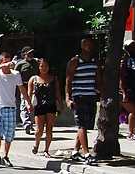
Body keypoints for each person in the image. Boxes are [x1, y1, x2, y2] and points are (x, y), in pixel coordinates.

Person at [65, 36, 105, 165]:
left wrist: (104, 96)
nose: (88, 46)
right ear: (82, 46)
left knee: (86, 125)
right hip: (79, 96)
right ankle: (87, 153)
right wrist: (68, 98)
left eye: (90, 44)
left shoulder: (95, 61)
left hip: (91, 95)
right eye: (86, 44)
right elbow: (68, 81)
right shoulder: (75, 61)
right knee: (82, 125)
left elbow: (98, 81)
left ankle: (76, 151)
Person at [0, 51, 30, 168]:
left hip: (11, 107)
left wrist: (28, 102)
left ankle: (5, 156)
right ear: (0, 62)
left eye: (9, 62)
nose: (8, 65)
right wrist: (2, 66)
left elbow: (22, 89)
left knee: (9, 134)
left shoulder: (15, 74)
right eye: (5, 62)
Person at [28, 57, 62, 156]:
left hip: (51, 106)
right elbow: (29, 94)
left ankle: (46, 149)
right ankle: (36, 144)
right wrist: (28, 105)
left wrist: (61, 106)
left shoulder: (54, 78)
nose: (44, 68)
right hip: (39, 106)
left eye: (46, 66)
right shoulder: (33, 79)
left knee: (49, 128)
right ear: (38, 67)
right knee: (39, 129)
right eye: (42, 66)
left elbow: (57, 93)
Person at [15, 46, 39, 134]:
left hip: (35, 86)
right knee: (24, 105)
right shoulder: (20, 64)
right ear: (24, 54)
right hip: (24, 87)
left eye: (32, 53)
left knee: (35, 105)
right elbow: (16, 75)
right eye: (29, 53)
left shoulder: (36, 62)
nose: (31, 55)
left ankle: (34, 123)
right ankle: (27, 124)